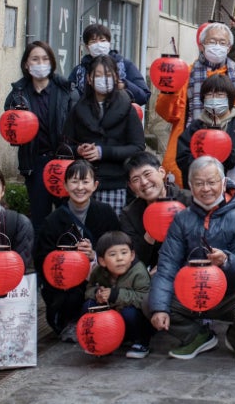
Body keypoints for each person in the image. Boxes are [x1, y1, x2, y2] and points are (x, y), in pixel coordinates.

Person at [149, 156, 235, 362]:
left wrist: (226, 261)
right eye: (199, 183)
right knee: (151, 302)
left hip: (229, 296)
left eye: (211, 182)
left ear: (223, 183)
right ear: (190, 186)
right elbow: (167, 265)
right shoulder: (182, 219)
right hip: (190, 293)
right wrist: (159, 308)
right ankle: (196, 336)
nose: (206, 189)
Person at [156, 21, 235, 185]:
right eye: (212, 41)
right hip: (190, 149)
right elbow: (167, 113)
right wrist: (169, 91)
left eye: (222, 42)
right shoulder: (184, 74)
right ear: (201, 45)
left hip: (230, 161)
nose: (217, 46)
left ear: (229, 48)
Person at [34, 160, 121, 340]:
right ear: (65, 185)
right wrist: (68, 261)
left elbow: (120, 248)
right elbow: (41, 259)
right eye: (74, 182)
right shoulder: (53, 220)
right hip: (66, 288)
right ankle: (69, 322)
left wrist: (95, 255)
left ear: (95, 185)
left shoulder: (105, 213)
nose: (80, 187)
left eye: (85, 181)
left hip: (100, 279)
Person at [5, 41, 78, 228]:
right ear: (26, 64)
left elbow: (78, 126)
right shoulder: (18, 94)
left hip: (64, 161)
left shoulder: (66, 91)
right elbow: (11, 129)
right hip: (35, 162)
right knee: (40, 219)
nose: (40, 63)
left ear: (52, 63)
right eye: (35, 59)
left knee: (67, 218)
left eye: (45, 59)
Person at [64, 55, 145, 214]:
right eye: (98, 75)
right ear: (89, 78)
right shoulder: (78, 108)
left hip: (115, 183)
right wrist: (78, 150)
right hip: (83, 183)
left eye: (108, 75)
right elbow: (65, 145)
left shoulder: (127, 107)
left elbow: (138, 147)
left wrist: (103, 152)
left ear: (116, 77)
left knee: (111, 227)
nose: (103, 79)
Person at [85, 230, 153, 359]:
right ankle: (103, 341)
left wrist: (115, 295)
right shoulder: (98, 271)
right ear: (102, 260)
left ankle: (141, 342)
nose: (120, 258)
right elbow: (89, 289)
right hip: (110, 318)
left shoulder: (138, 271)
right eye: (112, 254)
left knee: (130, 313)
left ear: (132, 255)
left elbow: (144, 297)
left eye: (124, 253)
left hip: (135, 318)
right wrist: (97, 293)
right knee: (89, 305)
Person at [118, 152, 192, 271]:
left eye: (147, 174)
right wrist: (150, 232)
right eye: (136, 179)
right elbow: (134, 259)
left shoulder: (188, 201)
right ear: (131, 187)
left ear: (161, 172)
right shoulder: (129, 214)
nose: (144, 182)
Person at [176, 74, 235, 183]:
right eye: (209, 95)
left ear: (229, 98)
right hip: (203, 187)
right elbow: (182, 157)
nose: (214, 99)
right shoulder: (196, 126)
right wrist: (204, 161)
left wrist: (231, 155)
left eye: (220, 95)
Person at [68, 23, 150, 106]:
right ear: (87, 47)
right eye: (93, 41)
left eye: (102, 40)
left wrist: (124, 85)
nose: (98, 44)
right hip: (88, 112)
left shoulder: (125, 66)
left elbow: (143, 96)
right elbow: (69, 96)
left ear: (109, 43)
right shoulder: (79, 71)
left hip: (119, 112)